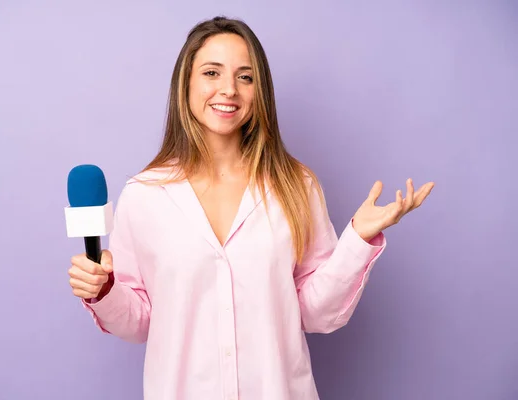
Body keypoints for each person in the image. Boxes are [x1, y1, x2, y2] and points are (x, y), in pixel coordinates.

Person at [67, 16, 434, 400]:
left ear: (261, 91)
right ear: (186, 83)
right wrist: (104, 288)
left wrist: (358, 239)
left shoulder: (296, 186)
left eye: (246, 77)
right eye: (212, 72)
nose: (229, 90)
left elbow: (315, 313)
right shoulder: (144, 195)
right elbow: (140, 322)